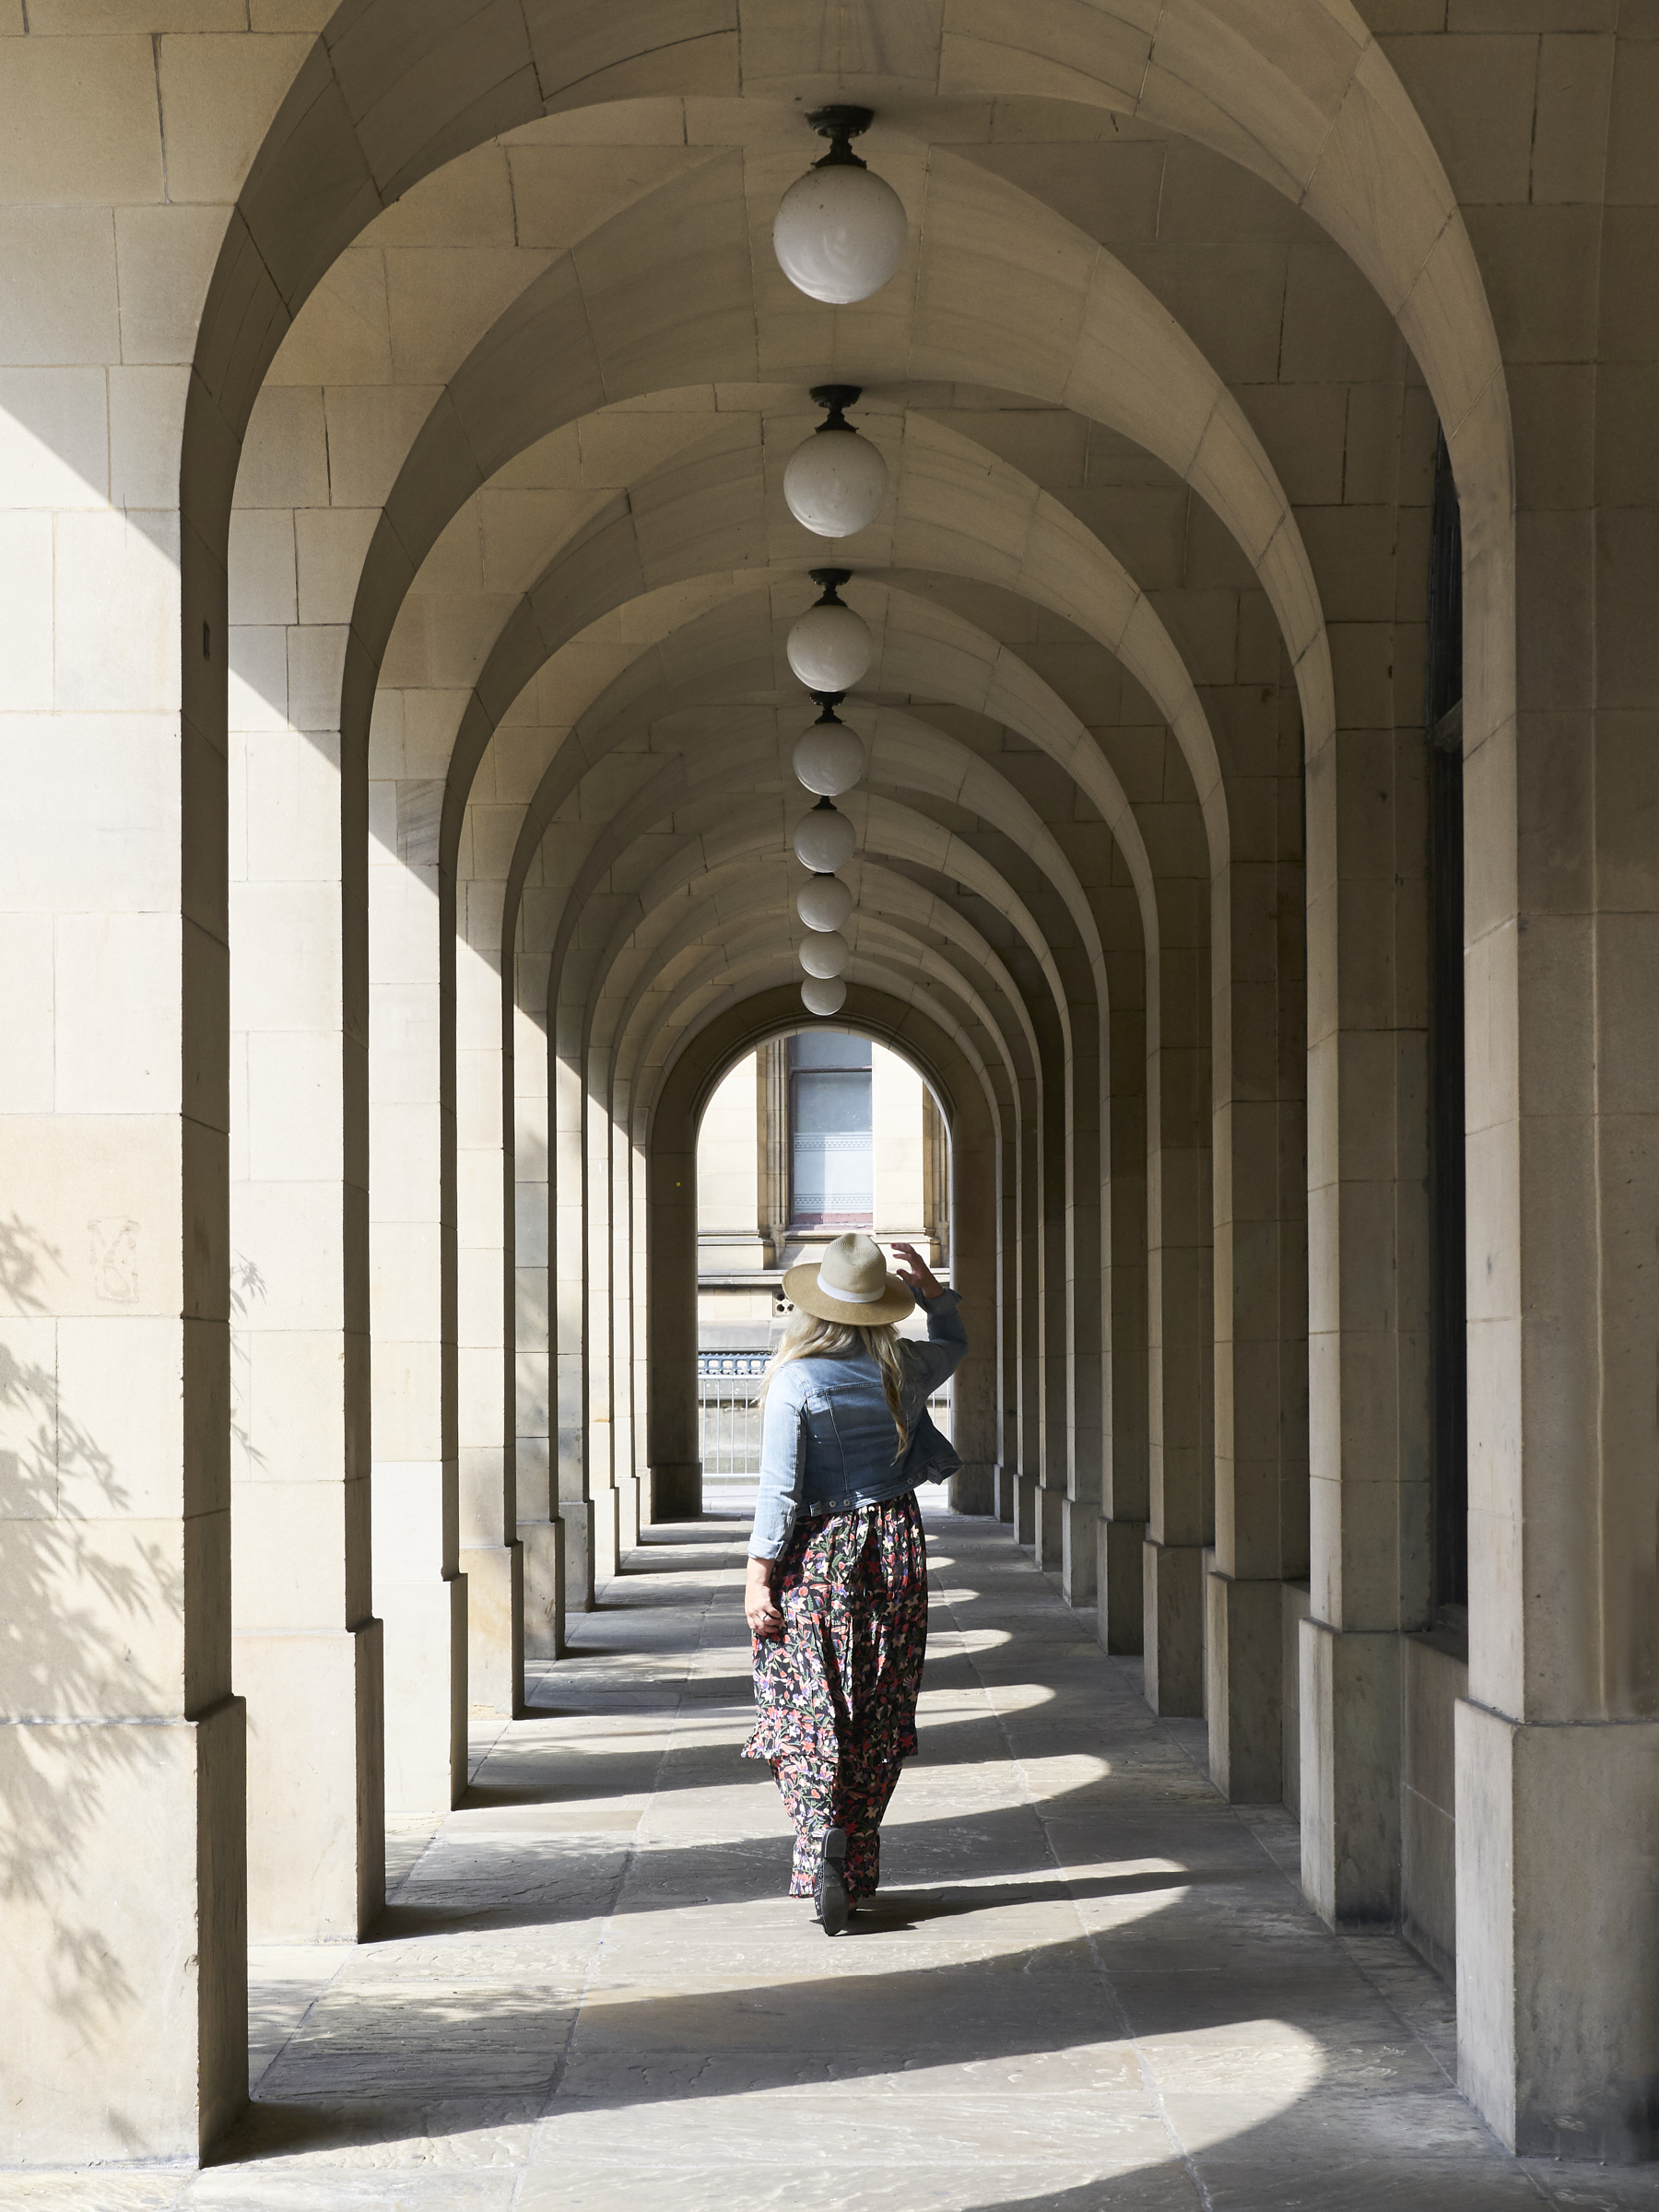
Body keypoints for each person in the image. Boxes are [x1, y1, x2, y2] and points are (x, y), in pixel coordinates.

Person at [741, 1231, 968, 1935]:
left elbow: (780, 1494)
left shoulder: (798, 1382)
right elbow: (955, 1344)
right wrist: (932, 1291)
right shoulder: (903, 1364)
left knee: (803, 1702)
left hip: (820, 1555)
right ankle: (856, 1855)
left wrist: (757, 1578)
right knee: (878, 1703)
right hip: (896, 1544)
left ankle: (820, 1844)